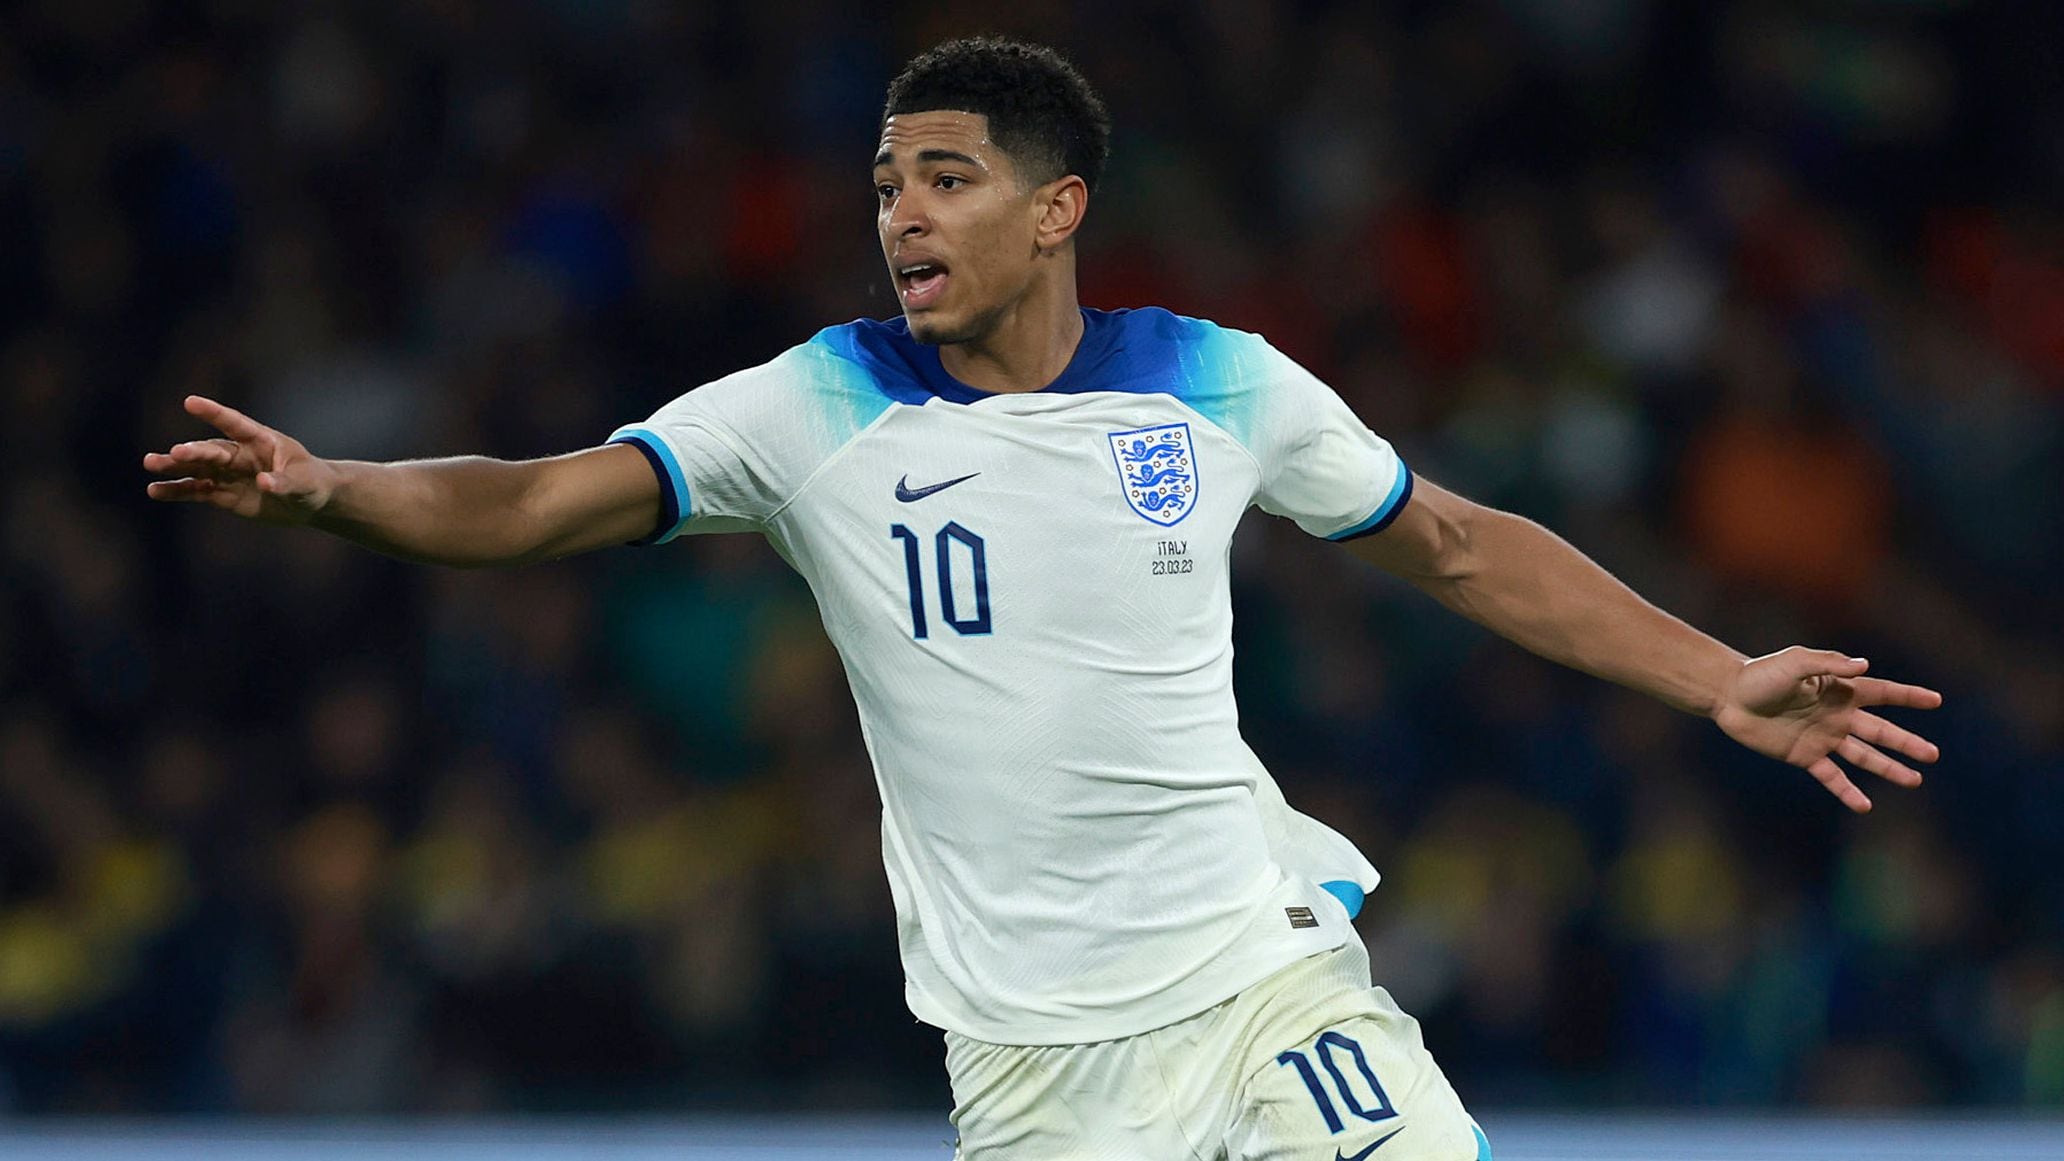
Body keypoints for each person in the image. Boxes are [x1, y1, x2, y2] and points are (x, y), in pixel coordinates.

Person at [144, 36, 1941, 1161]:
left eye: (946, 178)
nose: (901, 216)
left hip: (1261, 984)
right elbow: (537, 499)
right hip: (1032, 1070)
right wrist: (336, 492)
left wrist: (1715, 674)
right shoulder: (808, 405)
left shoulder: (1212, 380)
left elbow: (1461, 545)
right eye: (884, 186)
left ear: (1058, 205)